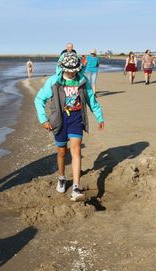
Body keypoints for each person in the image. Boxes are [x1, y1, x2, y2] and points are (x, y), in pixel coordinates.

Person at [34, 53, 105, 202]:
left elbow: (91, 99)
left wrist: (99, 116)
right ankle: (61, 177)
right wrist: (43, 120)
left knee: (76, 150)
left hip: (76, 118)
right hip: (59, 120)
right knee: (61, 152)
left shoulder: (82, 80)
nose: (71, 72)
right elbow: (39, 99)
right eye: (69, 70)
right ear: (62, 68)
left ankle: (76, 188)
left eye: (74, 70)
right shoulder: (53, 81)